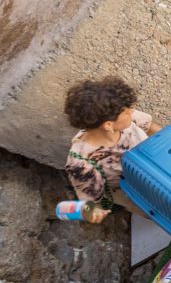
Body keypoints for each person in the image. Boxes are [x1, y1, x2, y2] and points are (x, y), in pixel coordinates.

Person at [63, 77, 163, 223]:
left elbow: (151, 127)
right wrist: (94, 213)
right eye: (127, 112)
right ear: (108, 125)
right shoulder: (81, 163)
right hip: (135, 192)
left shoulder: (126, 117)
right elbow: (91, 203)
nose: (132, 111)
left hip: (158, 169)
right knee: (164, 215)